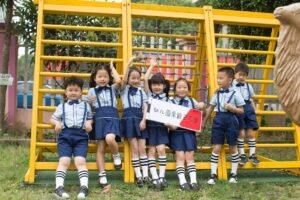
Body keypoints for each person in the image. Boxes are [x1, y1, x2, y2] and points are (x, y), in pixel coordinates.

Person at [50, 76, 93, 199]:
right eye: (70, 90)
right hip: (65, 136)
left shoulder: (86, 106)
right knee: (64, 161)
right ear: (65, 92)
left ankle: (84, 187)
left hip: (81, 137)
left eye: (76, 90)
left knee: (80, 161)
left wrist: (89, 123)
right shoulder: (61, 106)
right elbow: (52, 118)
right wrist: (57, 123)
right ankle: (59, 187)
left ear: (81, 92)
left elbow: (90, 118)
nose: (73, 93)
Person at [202, 67, 245, 185]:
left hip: (231, 120)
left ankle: (234, 174)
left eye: (221, 78)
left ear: (230, 80)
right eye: (218, 78)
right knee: (216, 147)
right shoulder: (217, 93)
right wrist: (204, 122)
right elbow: (210, 108)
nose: (218, 80)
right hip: (218, 120)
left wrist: (233, 108)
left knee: (233, 147)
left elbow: (242, 111)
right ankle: (213, 175)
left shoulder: (236, 93)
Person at [87, 61, 122, 188]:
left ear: (109, 78)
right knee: (100, 148)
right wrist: (89, 103)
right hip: (99, 119)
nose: (102, 79)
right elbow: (86, 107)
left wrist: (112, 68)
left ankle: (116, 155)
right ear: (95, 78)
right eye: (99, 76)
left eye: (105, 76)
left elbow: (118, 81)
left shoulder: (112, 88)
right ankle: (102, 175)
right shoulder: (91, 91)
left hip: (112, 118)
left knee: (110, 138)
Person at [167, 78, 204, 191]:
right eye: (179, 87)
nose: (182, 89)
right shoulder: (170, 102)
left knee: (190, 156)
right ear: (175, 89)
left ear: (188, 89)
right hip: (176, 133)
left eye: (185, 87)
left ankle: (193, 181)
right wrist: (169, 125)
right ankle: (182, 182)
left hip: (189, 133)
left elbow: (202, 113)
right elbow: (166, 118)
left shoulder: (193, 102)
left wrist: (203, 106)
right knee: (180, 156)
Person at [120, 56, 150, 187]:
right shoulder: (124, 89)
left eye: (138, 78)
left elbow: (145, 106)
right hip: (128, 118)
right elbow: (124, 78)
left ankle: (145, 175)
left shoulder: (142, 91)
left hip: (140, 118)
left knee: (143, 148)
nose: (136, 80)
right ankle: (138, 176)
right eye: (133, 78)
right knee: (135, 148)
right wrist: (129, 63)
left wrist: (144, 120)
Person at [143, 58, 170, 190]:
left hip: (161, 127)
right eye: (154, 84)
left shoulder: (168, 98)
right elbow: (145, 79)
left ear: (164, 86)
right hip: (151, 127)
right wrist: (152, 66)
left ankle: (162, 176)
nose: (156, 87)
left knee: (161, 149)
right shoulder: (149, 95)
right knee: (152, 151)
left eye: (159, 84)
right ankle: (154, 178)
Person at [233, 63, 260, 166]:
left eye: (244, 75)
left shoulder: (248, 86)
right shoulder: (231, 86)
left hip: (248, 109)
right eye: (240, 74)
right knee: (241, 133)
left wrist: (254, 109)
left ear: (246, 76)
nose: (241, 77)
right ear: (235, 74)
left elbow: (251, 98)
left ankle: (252, 154)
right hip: (238, 108)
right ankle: (242, 155)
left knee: (250, 133)